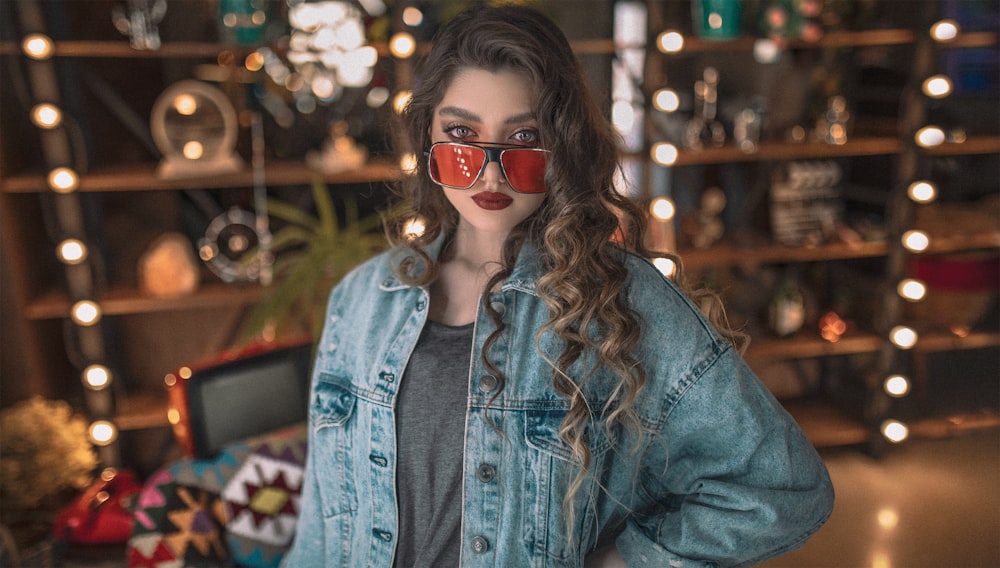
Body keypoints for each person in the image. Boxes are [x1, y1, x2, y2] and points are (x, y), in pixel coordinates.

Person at [282, 4, 833, 567]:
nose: (491, 172)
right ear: (428, 139)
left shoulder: (622, 304)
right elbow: (321, 530)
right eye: (462, 133)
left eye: (523, 136)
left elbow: (779, 488)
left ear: (562, 144)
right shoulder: (362, 298)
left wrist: (622, 562)